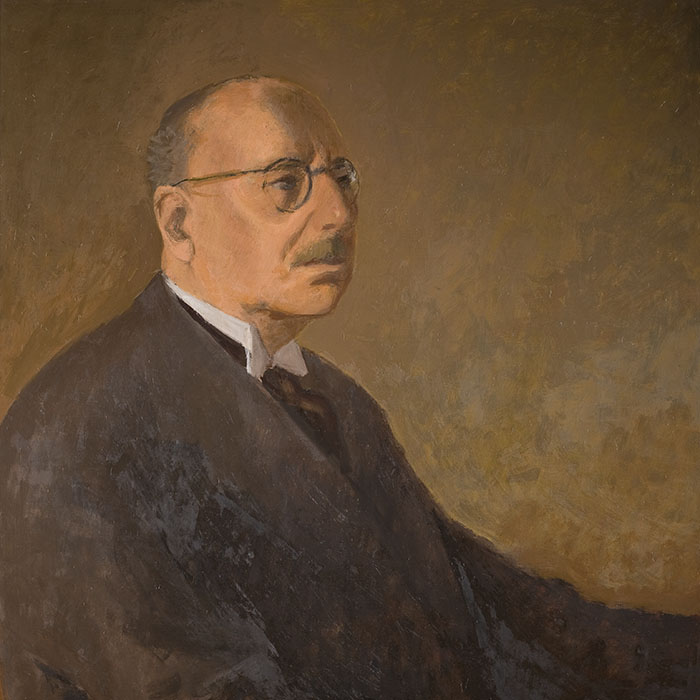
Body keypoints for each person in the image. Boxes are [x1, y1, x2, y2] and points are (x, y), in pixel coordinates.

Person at [0, 76, 696, 700]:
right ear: (179, 222)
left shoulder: (336, 402)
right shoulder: (76, 429)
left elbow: (498, 612)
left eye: (342, 176)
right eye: (285, 184)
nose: (337, 213)